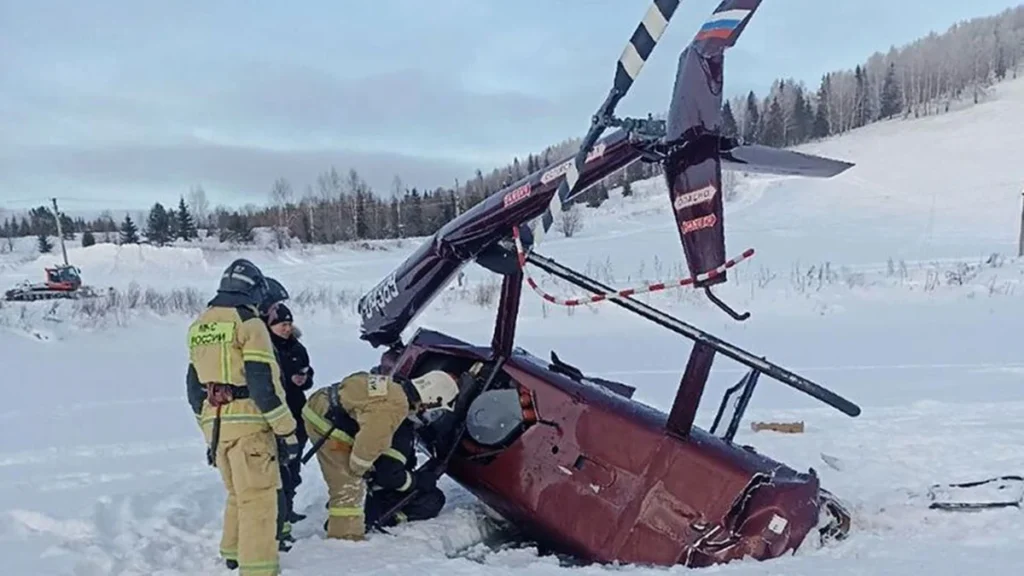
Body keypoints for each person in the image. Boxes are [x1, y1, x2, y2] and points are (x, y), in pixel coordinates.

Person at [185, 259, 301, 575]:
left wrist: (207, 429)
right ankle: (258, 568)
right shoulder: (250, 324)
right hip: (250, 425)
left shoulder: (199, 325)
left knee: (238, 494)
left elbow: (193, 387)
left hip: (216, 425)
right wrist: (286, 430)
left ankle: (232, 551)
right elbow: (263, 384)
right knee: (259, 501)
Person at [300, 370, 459, 541]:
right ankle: (345, 538)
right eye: (433, 412)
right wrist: (360, 470)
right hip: (325, 424)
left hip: (320, 405)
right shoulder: (395, 407)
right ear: (430, 400)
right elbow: (370, 442)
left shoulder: (394, 388)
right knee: (350, 490)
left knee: (354, 478)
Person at [265, 303, 314, 528]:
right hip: (276, 413)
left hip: (297, 412)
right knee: (279, 468)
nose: (286, 328)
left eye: (289, 324)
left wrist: (304, 380)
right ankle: (279, 515)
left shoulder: (297, 348)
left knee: (294, 467)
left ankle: (289, 508)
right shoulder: (264, 347)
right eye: (282, 324)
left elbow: (308, 372)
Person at [363, 418, 446, 530]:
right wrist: (417, 481)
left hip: (367, 489)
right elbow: (388, 476)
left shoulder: (393, 424)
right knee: (434, 499)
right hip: (375, 493)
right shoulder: (401, 433)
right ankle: (390, 518)